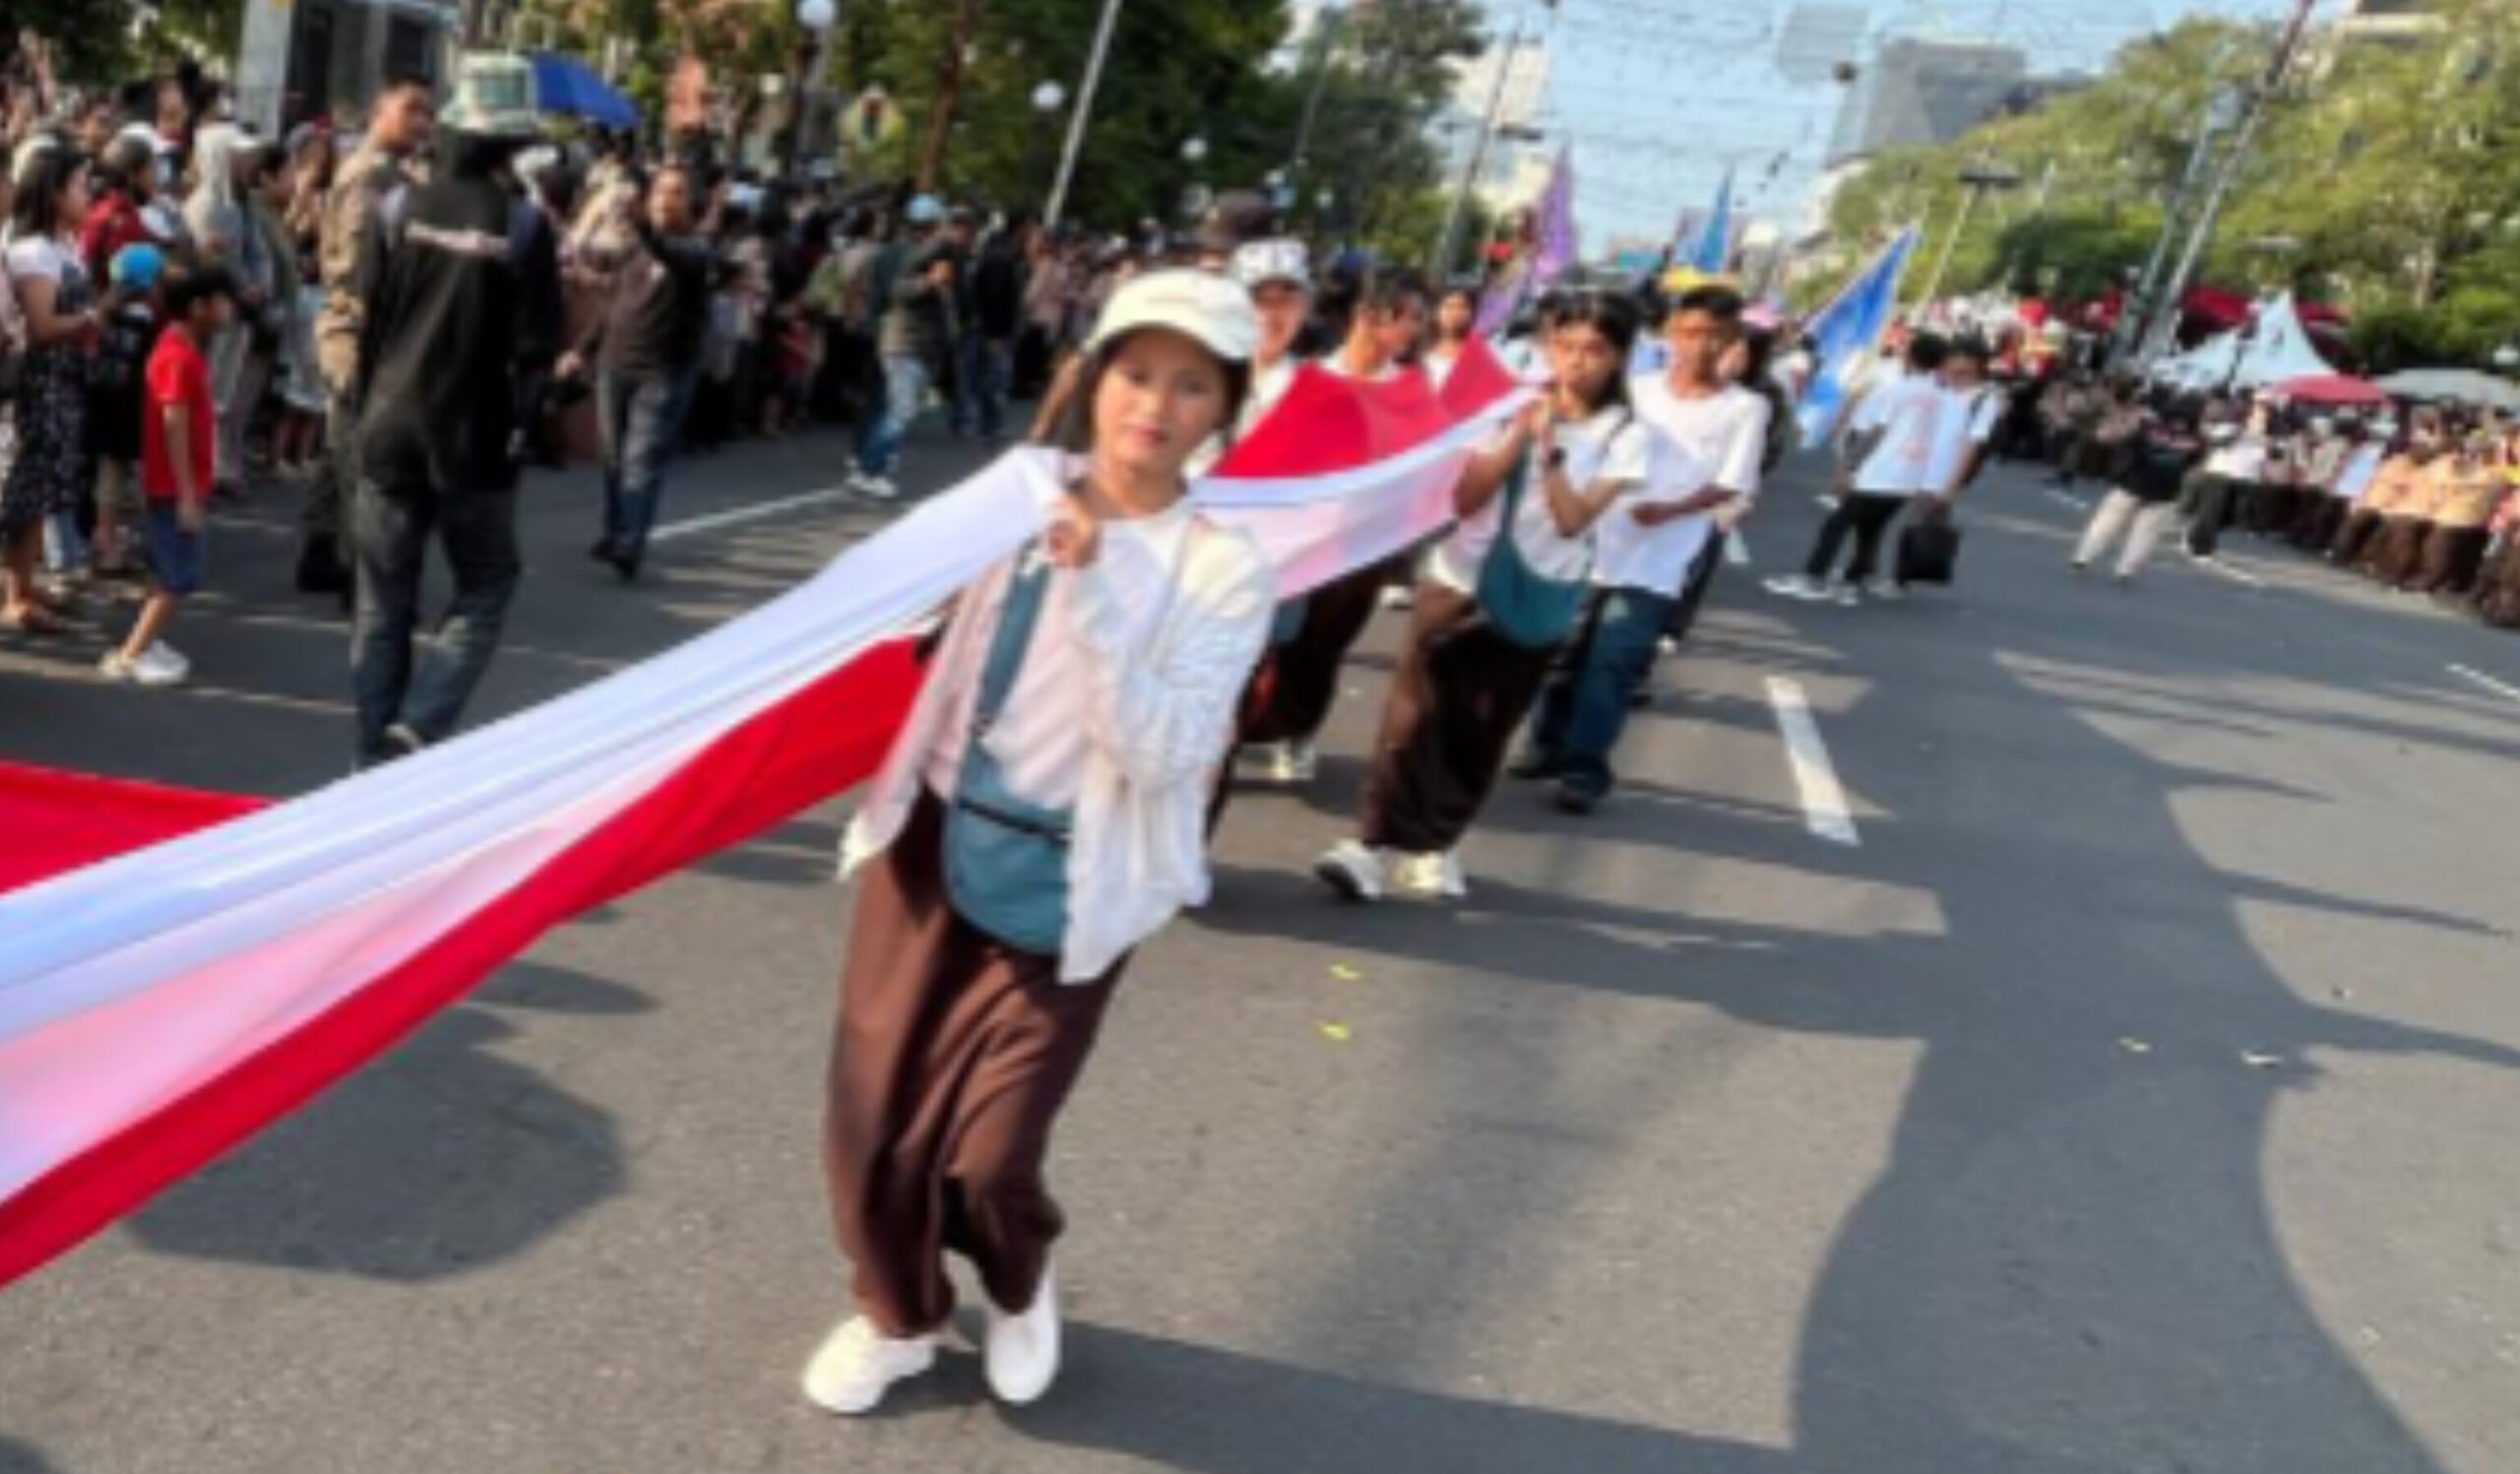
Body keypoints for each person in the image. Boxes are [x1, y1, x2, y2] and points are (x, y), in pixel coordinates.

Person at [802, 270, 1273, 1415]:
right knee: (870, 1124)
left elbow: (1164, 752)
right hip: (933, 840)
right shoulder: (1008, 501)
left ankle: (1016, 1280)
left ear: (1224, 407)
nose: (1153, 404)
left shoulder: (1224, 568)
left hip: (1078, 875)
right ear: (1093, 375)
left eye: (1190, 385)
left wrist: (1095, 581)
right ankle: (900, 1315)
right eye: (1135, 371)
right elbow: (881, 612)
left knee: (988, 1154)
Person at [1314, 290, 1650, 903]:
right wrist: (1518, 433)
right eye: (1565, 345)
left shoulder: (1625, 435)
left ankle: (1435, 844)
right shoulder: (1508, 405)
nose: (1576, 362)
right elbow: (1466, 499)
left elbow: (1573, 519)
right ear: (1548, 345)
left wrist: (1550, 453)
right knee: (1411, 718)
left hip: (1536, 598)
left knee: (1482, 727)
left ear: (1620, 358)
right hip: (1458, 581)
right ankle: (1370, 845)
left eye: (1595, 350)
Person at [345, 68, 562, 766]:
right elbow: (537, 353)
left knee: (383, 603)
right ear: (511, 145)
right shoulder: (523, 226)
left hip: (387, 425)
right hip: (475, 438)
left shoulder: (396, 208)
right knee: (488, 582)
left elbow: (369, 325)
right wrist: (527, 423)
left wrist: (360, 414)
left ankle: (373, 761)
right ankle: (417, 724)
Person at [1520, 284, 1763, 814]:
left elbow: (1732, 482)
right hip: (1590, 542)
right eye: (1689, 333)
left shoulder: (1745, 408)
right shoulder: (1638, 390)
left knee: (1613, 663)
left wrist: (1670, 510)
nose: (1698, 346)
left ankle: (1584, 771)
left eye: (1713, 335)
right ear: (1671, 333)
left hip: (1657, 560)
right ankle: (1547, 744)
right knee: (1563, 655)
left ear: (1732, 339)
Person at [1239, 264, 1430, 785]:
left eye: (1420, 319)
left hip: (1358, 549)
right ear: (1369, 315)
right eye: (1407, 316)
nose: (1415, 329)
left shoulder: (1411, 392)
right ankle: (1244, 728)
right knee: (1265, 645)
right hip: (1288, 541)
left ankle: (1299, 733)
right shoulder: (1306, 377)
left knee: (1323, 647)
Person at [305, 73, 434, 595]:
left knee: (339, 445)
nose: (422, 122)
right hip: (358, 329)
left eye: (428, 112)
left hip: (362, 326)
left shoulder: (391, 172)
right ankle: (357, 570)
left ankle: (320, 550)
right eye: (412, 109)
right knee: (360, 456)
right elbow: (363, 271)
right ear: (381, 109)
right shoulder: (371, 176)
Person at [557, 162, 713, 580]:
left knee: (640, 457)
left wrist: (639, 222)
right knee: (612, 457)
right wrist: (581, 351)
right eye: (659, 191)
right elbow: (612, 305)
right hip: (615, 364)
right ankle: (617, 531)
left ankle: (630, 540)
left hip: (661, 372)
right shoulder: (635, 250)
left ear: (690, 202)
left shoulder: (695, 251)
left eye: (676, 193)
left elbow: (667, 251)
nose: (665, 200)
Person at [101, 265, 231, 685]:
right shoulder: (176, 355)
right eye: (221, 301)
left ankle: (146, 642)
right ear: (198, 307)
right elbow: (174, 424)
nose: (228, 309)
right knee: (175, 579)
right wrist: (187, 495)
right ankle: (131, 655)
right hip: (173, 486)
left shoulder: (182, 347)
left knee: (174, 574)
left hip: (178, 483)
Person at [1767, 333, 1950, 606]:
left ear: (1910, 355)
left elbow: (1875, 431)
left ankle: (1814, 576)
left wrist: (1849, 465)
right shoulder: (1940, 397)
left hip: (1881, 470)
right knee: (1872, 527)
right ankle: (1856, 576)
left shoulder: (1898, 389)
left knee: (1837, 524)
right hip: (1911, 474)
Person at [2, 144, 98, 629]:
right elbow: (41, 326)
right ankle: (17, 593)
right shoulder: (34, 251)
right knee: (25, 488)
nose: (88, 194)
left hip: (62, 381)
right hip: (37, 385)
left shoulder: (64, 246)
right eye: (80, 185)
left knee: (41, 491)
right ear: (54, 193)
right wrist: (91, 318)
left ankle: (24, 584)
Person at [181, 121, 271, 500]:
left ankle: (217, 468)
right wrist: (242, 288)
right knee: (210, 394)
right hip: (216, 313)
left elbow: (257, 253)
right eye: (239, 155)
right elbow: (213, 265)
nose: (248, 161)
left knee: (228, 395)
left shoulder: (243, 203)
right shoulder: (206, 207)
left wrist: (259, 284)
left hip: (239, 312)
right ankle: (200, 471)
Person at [850, 195, 957, 502]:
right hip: (904, 339)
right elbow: (896, 290)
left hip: (909, 340)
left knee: (890, 406)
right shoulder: (909, 255)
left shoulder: (917, 254)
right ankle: (871, 469)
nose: (942, 231)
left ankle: (869, 459)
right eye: (938, 225)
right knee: (900, 409)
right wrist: (929, 282)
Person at [86, 242, 162, 581]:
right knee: (136, 479)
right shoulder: (145, 323)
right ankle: (129, 543)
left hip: (104, 404)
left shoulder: (104, 314)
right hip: (132, 408)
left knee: (109, 478)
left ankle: (107, 542)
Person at [2071, 399, 2204, 584]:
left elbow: (2126, 446)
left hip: (2133, 483)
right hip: (2166, 492)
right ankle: (2125, 569)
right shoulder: (2196, 441)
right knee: (2146, 534)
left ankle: (2084, 556)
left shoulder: (2150, 429)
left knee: (2106, 523)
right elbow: (2192, 466)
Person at [2409, 432, 2501, 596]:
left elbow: (2452, 483)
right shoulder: (2473, 470)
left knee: (2439, 552)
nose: (2471, 456)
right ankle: (2448, 583)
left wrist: (2450, 470)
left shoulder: (2491, 474)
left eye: (2477, 453)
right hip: (2463, 517)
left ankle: (2431, 582)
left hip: (2459, 518)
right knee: (2454, 553)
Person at [2180, 396, 2269, 562]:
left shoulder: (2263, 438)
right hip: (2219, 475)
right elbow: (2216, 442)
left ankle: (2194, 532)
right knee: (2210, 515)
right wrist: (2239, 433)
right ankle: (2202, 549)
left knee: (2230, 517)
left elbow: (2267, 458)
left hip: (2246, 479)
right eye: (2257, 416)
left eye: (2263, 418)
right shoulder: (2229, 428)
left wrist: (2268, 448)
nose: (2260, 421)